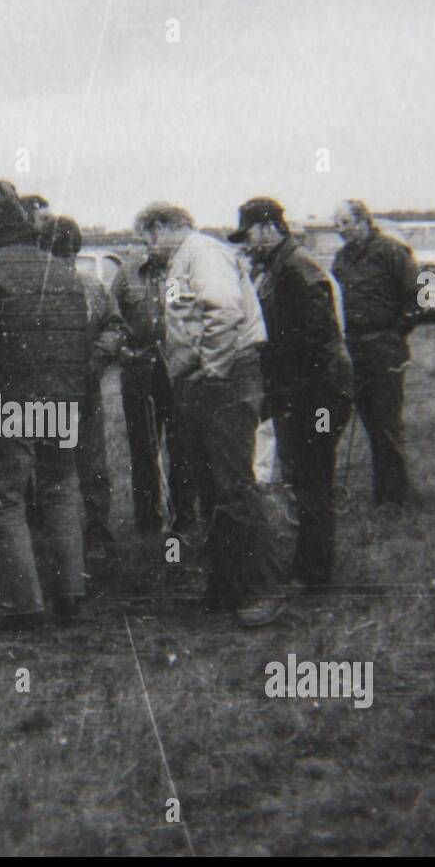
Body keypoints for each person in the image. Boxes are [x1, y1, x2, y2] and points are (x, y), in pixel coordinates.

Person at [134, 201, 283, 626]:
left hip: (225, 380)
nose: (148, 247)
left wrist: (211, 369)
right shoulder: (187, 258)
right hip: (202, 383)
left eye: (147, 236)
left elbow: (224, 310)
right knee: (211, 488)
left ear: (160, 227)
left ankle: (261, 589)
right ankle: (225, 584)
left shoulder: (202, 253)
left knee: (234, 487)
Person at [0, 182, 89, 627]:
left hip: (3, 399)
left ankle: (26, 607)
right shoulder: (61, 271)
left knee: (7, 500)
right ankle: (71, 595)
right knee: (60, 491)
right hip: (61, 396)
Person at [232, 198, 353, 589]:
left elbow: (317, 342)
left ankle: (314, 574)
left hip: (316, 395)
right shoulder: (276, 267)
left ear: (270, 227)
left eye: (250, 234)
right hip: (298, 392)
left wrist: (291, 396)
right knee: (303, 479)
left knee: (313, 481)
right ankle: (308, 563)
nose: (248, 244)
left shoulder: (297, 270)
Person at [39, 214, 126, 556]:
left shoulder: (92, 288)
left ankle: (92, 532)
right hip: (58, 390)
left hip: (77, 390)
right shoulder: (43, 290)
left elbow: (114, 326)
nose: (65, 259)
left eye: (68, 252)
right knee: (65, 466)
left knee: (85, 465)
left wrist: (98, 355)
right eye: (61, 252)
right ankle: (67, 534)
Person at [331, 199, 420, 508]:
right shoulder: (341, 258)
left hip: (384, 346)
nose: (341, 230)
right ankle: (381, 493)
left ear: (365, 221)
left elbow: (413, 297)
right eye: (337, 225)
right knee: (368, 418)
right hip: (354, 347)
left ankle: (396, 496)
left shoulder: (391, 251)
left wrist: (395, 335)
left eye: (346, 222)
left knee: (386, 421)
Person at [111, 248, 196, 534]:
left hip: (176, 370)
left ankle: (183, 518)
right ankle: (147, 521)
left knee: (182, 445)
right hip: (138, 369)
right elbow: (113, 318)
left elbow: (188, 317)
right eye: (147, 234)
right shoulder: (127, 273)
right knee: (143, 447)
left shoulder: (179, 274)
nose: (153, 243)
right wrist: (122, 351)